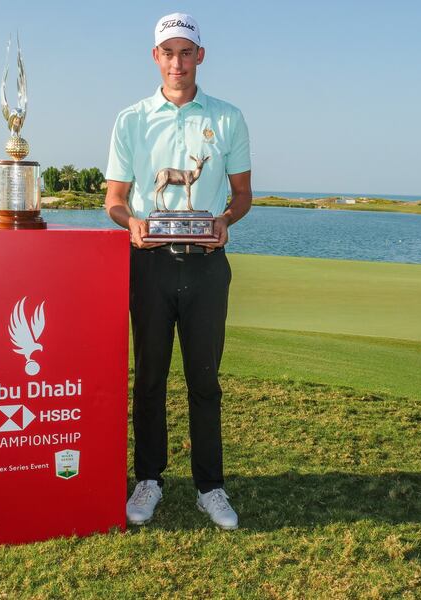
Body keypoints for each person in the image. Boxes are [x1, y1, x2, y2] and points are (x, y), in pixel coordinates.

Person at [104, 12, 252, 530]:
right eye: (168, 52)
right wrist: (133, 224)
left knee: (204, 381)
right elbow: (116, 201)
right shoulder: (131, 119)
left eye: (186, 52)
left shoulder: (228, 118)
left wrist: (226, 220)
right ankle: (149, 479)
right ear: (155, 58)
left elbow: (241, 195)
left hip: (208, 267)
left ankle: (210, 486)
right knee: (148, 379)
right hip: (148, 266)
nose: (177, 62)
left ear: (200, 57)